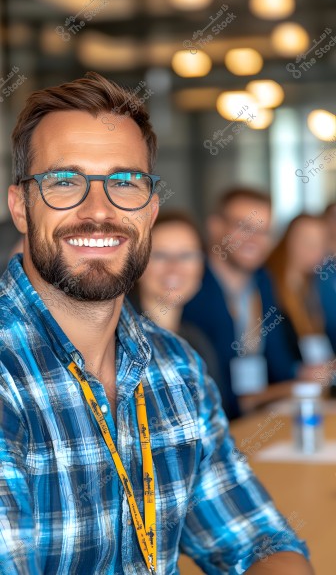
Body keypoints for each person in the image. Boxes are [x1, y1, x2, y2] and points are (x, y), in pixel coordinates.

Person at [0, 72, 313, 575]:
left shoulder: (178, 370)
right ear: (20, 206)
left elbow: (257, 541)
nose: (98, 211)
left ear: (149, 209)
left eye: (124, 183)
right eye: (64, 181)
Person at [183, 188, 320, 420]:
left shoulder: (263, 281)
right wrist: (276, 392)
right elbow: (208, 387)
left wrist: (300, 378)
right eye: (243, 227)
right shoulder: (189, 285)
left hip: (262, 419)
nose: (254, 240)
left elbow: (279, 361)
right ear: (216, 226)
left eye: (263, 231)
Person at [129, 210, 220, 382]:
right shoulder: (121, 345)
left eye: (186, 256)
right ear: (138, 265)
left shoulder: (197, 341)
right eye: (160, 255)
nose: (174, 268)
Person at [267, 214, 335, 365]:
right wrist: (295, 371)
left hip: (316, 378)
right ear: (288, 240)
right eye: (307, 241)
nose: (314, 250)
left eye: (320, 243)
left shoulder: (316, 286)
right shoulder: (268, 283)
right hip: (283, 383)